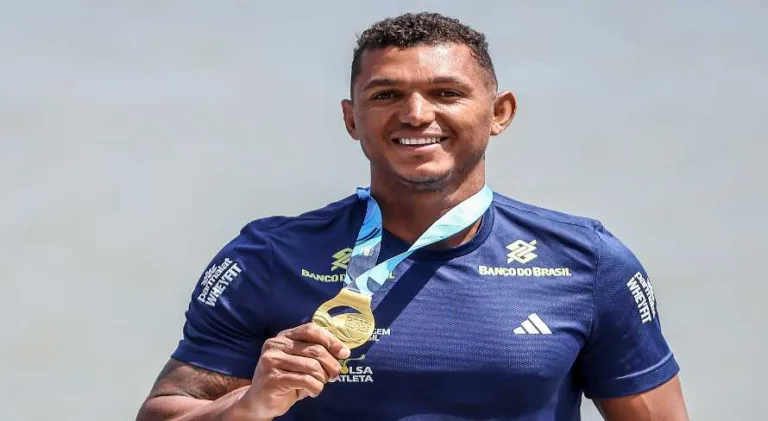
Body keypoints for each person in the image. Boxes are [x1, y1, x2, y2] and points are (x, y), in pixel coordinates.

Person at [136, 12, 689, 421]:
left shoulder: (589, 261)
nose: (416, 114)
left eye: (446, 92)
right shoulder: (266, 257)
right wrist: (251, 405)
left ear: (500, 113)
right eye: (386, 95)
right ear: (351, 119)